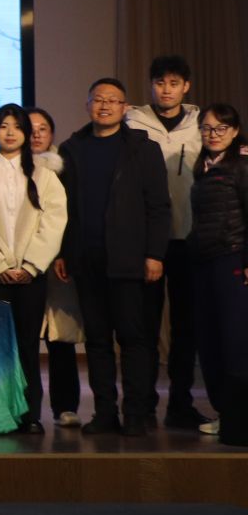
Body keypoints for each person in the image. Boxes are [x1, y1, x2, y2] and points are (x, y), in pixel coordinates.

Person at [56, 78, 172, 436]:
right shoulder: (71, 149)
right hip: (87, 260)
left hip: (130, 261)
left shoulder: (142, 149)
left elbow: (159, 206)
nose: (104, 105)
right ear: (87, 104)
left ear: (125, 108)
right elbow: (63, 208)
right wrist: (64, 252)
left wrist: (154, 254)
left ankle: (136, 413)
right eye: (98, 99)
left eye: (112, 100)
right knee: (97, 341)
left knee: (133, 339)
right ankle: (104, 412)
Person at [0, 103, 70, 433]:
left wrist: (31, 264)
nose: (10, 132)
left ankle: (28, 414)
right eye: (3, 126)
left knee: (26, 346)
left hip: (29, 277)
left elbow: (53, 221)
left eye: (17, 127)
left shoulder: (44, 174)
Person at [129, 54, 211, 429]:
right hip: (147, 241)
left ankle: (180, 404)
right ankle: (143, 404)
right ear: (151, 85)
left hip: (190, 239)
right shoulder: (133, 121)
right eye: (160, 82)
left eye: (174, 83)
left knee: (185, 327)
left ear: (186, 87)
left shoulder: (202, 125)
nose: (166, 90)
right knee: (144, 327)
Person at [189, 105, 248, 445]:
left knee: (235, 342)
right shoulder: (203, 166)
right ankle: (225, 413)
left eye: (220, 128)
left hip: (232, 259)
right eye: (207, 128)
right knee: (209, 341)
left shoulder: (242, 165)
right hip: (204, 261)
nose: (213, 134)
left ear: (235, 131)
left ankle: (239, 423)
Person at [29, 107, 87, 428]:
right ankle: (24, 409)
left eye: (43, 128)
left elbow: (73, 214)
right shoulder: (6, 168)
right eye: (30, 128)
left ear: (52, 133)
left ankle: (66, 406)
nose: (36, 134)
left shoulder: (65, 167)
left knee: (60, 337)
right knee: (23, 339)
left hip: (57, 263)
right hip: (19, 264)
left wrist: (63, 253)